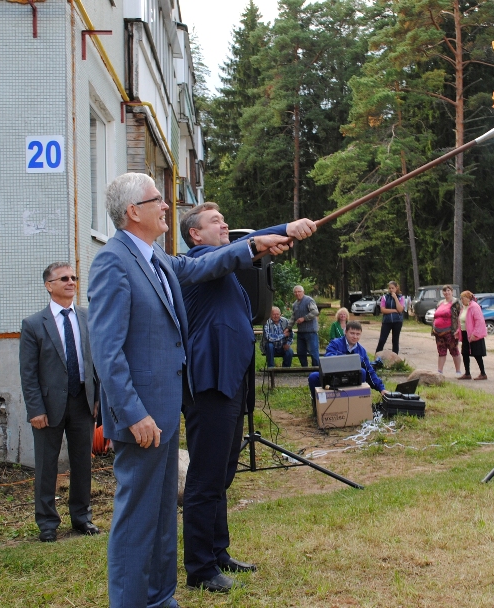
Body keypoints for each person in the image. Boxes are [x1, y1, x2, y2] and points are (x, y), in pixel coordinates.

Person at [87, 172, 293, 608]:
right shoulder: (113, 261)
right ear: (133, 212)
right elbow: (106, 351)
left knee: (163, 517)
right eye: (157, 199)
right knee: (136, 521)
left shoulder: (158, 259)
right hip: (142, 415)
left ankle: (161, 599)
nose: (166, 206)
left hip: (164, 409)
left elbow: (208, 262)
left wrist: (268, 238)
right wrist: (131, 411)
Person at [179, 203, 316, 593]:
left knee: (222, 473)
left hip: (231, 381)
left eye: (225, 220)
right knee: (206, 477)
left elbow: (244, 243)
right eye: (215, 221)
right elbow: (239, 248)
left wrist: (287, 227)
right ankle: (200, 568)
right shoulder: (200, 261)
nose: (224, 224)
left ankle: (217, 551)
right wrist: (279, 228)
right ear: (196, 235)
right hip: (210, 383)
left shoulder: (224, 260)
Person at [19, 262, 99, 543]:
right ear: (48, 285)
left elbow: (95, 362)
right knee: (46, 465)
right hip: (49, 406)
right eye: (63, 278)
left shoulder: (88, 318)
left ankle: (82, 517)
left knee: (82, 463)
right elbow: (28, 372)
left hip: (82, 402)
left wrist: (97, 399)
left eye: (74, 277)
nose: (70, 282)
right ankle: (47, 522)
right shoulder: (33, 325)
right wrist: (35, 409)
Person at [308, 321, 387, 400]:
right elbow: (328, 357)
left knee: (363, 372)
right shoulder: (335, 343)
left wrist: (381, 389)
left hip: (350, 379)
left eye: (358, 334)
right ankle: (318, 404)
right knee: (313, 377)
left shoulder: (361, 351)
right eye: (352, 333)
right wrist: (347, 360)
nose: (355, 336)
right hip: (333, 377)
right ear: (345, 332)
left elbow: (370, 371)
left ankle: (355, 401)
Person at [432, 285, 462, 377]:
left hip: (450, 331)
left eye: (448, 290)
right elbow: (436, 315)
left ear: (452, 292)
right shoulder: (440, 303)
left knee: (454, 350)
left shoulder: (456, 302)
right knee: (441, 351)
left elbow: (460, 316)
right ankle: (439, 371)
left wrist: (458, 329)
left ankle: (458, 371)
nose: (446, 292)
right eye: (444, 291)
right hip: (438, 332)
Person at [458, 291, 488, 380]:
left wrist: (475, 334)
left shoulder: (474, 307)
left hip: (473, 334)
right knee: (465, 353)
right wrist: (458, 331)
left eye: (462, 298)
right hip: (465, 333)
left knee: (477, 354)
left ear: (467, 298)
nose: (461, 300)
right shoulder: (464, 307)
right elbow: (462, 321)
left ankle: (483, 373)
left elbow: (479, 321)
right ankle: (467, 373)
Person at [290, 285, 320, 367]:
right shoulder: (295, 304)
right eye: (295, 292)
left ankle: (316, 370)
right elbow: (293, 317)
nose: (297, 293)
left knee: (313, 352)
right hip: (301, 332)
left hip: (311, 331)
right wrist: (288, 328)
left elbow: (315, 312)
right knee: (300, 352)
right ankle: (305, 369)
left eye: (299, 292)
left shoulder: (309, 300)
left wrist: (304, 318)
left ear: (303, 292)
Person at [375, 281, 406, 354]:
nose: (391, 290)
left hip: (397, 321)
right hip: (387, 321)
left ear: (396, 288)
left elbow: (400, 309)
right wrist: (394, 310)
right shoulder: (385, 297)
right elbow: (383, 310)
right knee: (382, 339)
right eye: (389, 288)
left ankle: (395, 358)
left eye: (393, 288)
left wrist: (395, 298)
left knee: (395, 340)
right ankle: (377, 356)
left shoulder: (401, 297)